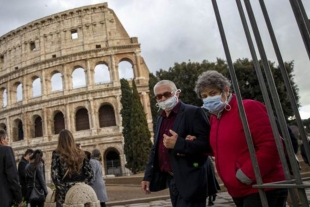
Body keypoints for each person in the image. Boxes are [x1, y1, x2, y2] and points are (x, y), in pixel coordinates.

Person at [194, 70, 288, 207]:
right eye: (204, 96)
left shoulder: (248, 108)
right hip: (238, 190)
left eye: (212, 93)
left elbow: (272, 145)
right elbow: (221, 148)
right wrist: (193, 142)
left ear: (226, 90)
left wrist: (247, 174)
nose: (208, 98)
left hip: (262, 186)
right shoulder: (215, 118)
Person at [141, 80, 211, 207]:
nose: (163, 98)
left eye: (167, 94)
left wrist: (179, 143)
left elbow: (208, 145)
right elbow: (155, 149)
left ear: (176, 93)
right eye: (159, 96)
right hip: (172, 179)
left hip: (192, 179)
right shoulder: (161, 118)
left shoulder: (193, 112)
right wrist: (148, 176)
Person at [51, 129, 93, 207]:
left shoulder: (57, 154)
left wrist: (65, 190)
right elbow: (90, 174)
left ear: (60, 140)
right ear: (72, 139)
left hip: (64, 196)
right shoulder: (81, 153)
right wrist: (82, 186)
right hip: (81, 194)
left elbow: (55, 176)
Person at [0, 129, 23, 207]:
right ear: (2, 140)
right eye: (6, 139)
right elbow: (12, 176)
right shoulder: (6, 150)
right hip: (3, 198)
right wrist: (19, 198)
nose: (7, 142)